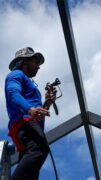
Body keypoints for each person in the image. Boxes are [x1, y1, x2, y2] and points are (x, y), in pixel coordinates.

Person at [5, 47, 57, 180]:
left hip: (28, 123)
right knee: (39, 149)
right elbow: (13, 94)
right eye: (35, 62)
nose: (38, 67)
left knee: (31, 174)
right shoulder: (16, 75)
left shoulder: (28, 83)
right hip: (24, 122)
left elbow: (37, 113)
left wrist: (47, 103)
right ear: (24, 61)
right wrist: (30, 109)